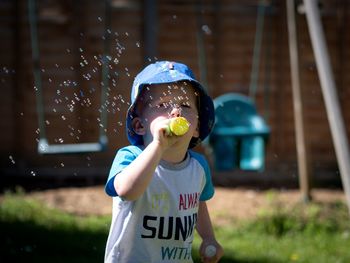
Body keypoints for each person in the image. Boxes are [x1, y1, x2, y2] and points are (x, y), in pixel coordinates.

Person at [104, 61, 223, 263]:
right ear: (140, 125)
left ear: (196, 127)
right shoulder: (130, 157)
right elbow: (128, 191)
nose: (175, 112)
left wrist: (208, 237)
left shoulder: (198, 167)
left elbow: (197, 203)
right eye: (162, 105)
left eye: (185, 105)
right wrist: (158, 145)